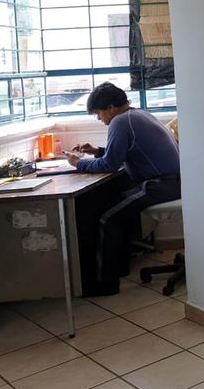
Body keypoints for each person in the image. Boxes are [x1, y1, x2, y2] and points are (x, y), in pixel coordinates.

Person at [66, 82, 180, 295]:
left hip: (162, 185)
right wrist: (97, 151)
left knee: (107, 218)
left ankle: (106, 284)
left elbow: (110, 164)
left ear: (110, 108)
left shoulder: (120, 122)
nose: (99, 118)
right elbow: (121, 154)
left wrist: (78, 163)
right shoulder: (139, 114)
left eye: (99, 113)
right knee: (117, 207)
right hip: (174, 182)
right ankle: (120, 268)